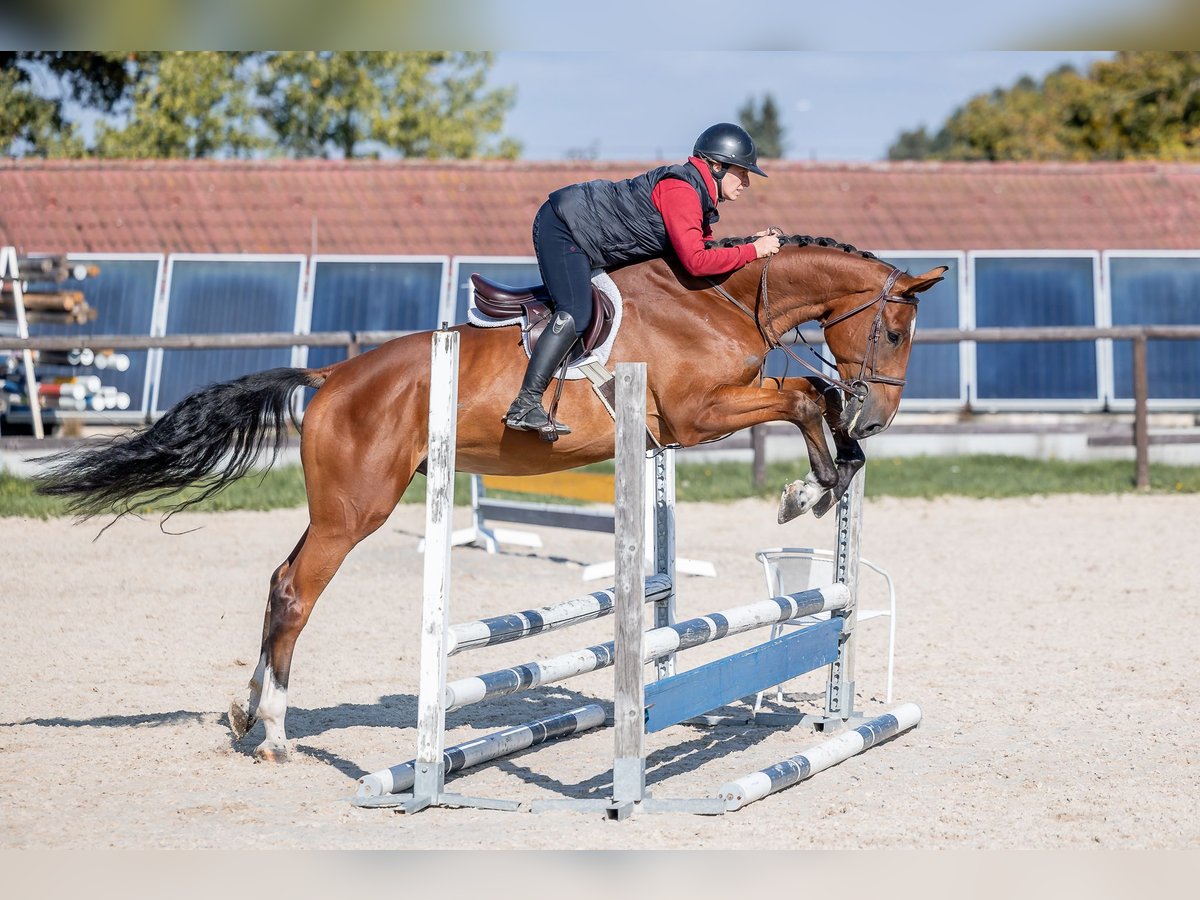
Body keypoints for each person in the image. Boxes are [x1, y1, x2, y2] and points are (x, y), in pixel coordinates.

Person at [502, 122, 782, 439]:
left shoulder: (697, 196)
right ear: (716, 165)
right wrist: (752, 250)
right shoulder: (682, 190)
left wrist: (748, 244)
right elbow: (697, 262)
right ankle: (525, 404)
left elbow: (702, 249)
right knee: (576, 312)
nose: (746, 181)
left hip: (585, 233)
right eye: (742, 172)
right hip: (565, 227)